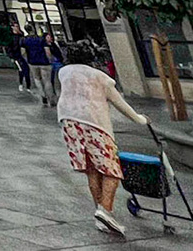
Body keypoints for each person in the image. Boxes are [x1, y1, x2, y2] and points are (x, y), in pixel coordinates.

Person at [55, 39, 149, 236]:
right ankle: (105, 210)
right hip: (94, 123)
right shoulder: (100, 78)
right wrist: (140, 120)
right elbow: (119, 103)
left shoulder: (63, 73)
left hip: (69, 123)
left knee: (92, 170)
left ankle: (101, 213)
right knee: (111, 170)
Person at [21, 26, 54, 105]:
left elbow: (23, 52)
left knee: (37, 79)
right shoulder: (41, 39)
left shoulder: (24, 40)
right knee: (47, 80)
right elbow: (47, 51)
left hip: (33, 62)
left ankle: (43, 96)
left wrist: (27, 60)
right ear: (33, 29)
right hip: (44, 62)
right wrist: (50, 59)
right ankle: (51, 99)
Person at [11, 21, 33, 95]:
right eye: (16, 26)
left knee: (26, 70)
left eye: (18, 26)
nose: (17, 28)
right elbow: (11, 47)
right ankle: (21, 84)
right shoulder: (12, 37)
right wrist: (12, 56)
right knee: (21, 70)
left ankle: (28, 86)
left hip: (23, 55)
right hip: (17, 56)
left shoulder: (21, 36)